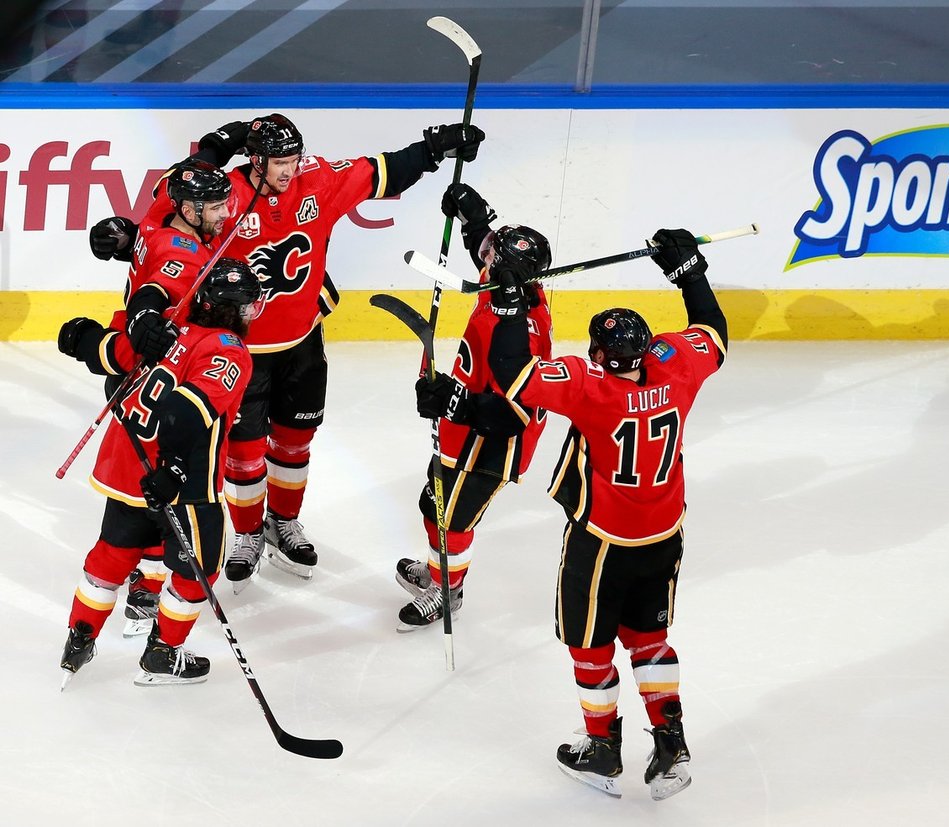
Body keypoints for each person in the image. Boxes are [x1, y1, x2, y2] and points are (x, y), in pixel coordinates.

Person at [89, 114, 486, 588]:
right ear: (255, 159)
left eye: (293, 157)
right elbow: (170, 209)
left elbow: (381, 171)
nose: (289, 169)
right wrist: (128, 236)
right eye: (279, 161)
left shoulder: (316, 179)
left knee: (295, 441)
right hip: (238, 351)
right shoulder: (224, 197)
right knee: (244, 449)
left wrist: (435, 148)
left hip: (302, 342)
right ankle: (249, 532)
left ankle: (285, 520)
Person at [486, 228, 728, 801]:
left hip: (604, 540)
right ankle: (671, 740)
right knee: (650, 637)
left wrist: (511, 302)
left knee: (590, 644)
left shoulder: (588, 387)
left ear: (600, 354)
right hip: (665, 531)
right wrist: (689, 270)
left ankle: (602, 747)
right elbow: (713, 333)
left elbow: (512, 372)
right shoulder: (675, 368)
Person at [59, 259, 261, 687]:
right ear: (237, 310)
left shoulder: (168, 327)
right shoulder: (229, 350)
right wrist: (172, 466)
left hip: (128, 471)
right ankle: (162, 654)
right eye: (249, 307)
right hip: (184, 487)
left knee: (111, 557)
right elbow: (181, 412)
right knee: (199, 569)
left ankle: (79, 637)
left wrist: (83, 338)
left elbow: (112, 355)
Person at [61, 157, 235, 636]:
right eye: (216, 205)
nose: (226, 213)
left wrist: (124, 235)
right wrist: (140, 321)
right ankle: (149, 593)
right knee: (166, 485)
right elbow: (157, 289)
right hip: (167, 365)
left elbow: (151, 255)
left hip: (142, 367)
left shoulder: (164, 214)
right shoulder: (182, 252)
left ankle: (134, 590)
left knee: (136, 500)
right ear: (189, 207)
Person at [398, 183, 553, 630]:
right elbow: (483, 247)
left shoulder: (525, 332)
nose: (484, 259)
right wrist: (474, 214)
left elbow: (514, 414)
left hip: (491, 445)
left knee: (454, 519)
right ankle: (436, 573)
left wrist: (455, 401)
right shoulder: (506, 288)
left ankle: (448, 591)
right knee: (435, 505)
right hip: (462, 430)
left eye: (492, 258)